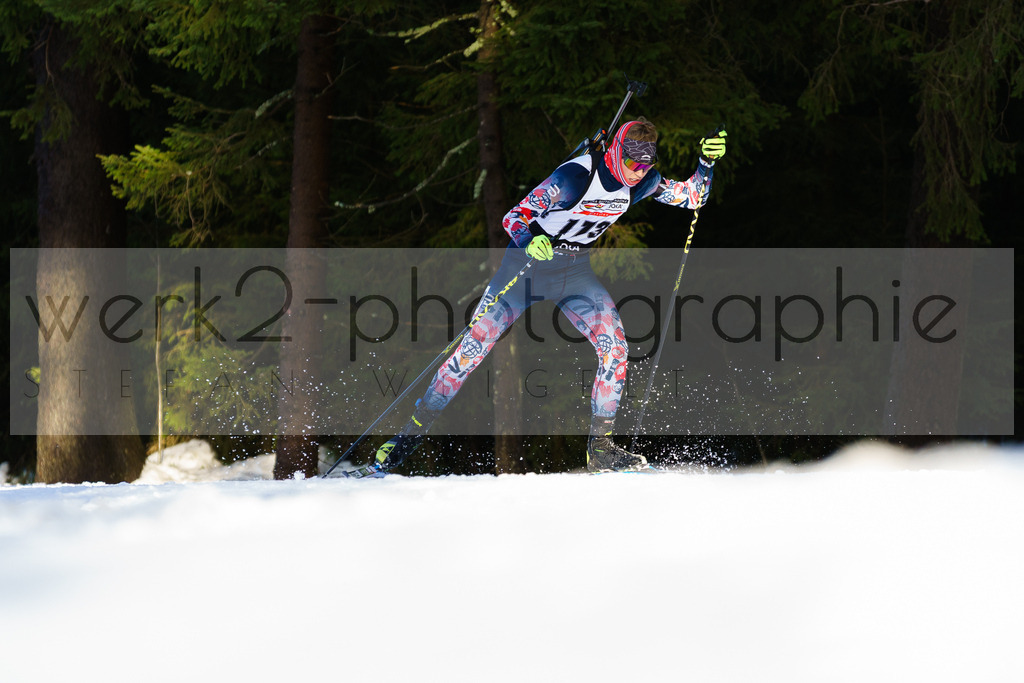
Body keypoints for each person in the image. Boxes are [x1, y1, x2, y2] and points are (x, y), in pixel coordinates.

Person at [350, 118, 727, 477]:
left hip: (575, 274)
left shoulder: (643, 181)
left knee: (616, 348)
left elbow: (693, 197)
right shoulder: (575, 175)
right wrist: (532, 239)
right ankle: (408, 436)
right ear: (615, 151)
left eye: (646, 164)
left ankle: (601, 450)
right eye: (632, 161)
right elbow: (515, 217)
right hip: (527, 269)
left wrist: (706, 162)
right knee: (472, 348)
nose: (638, 171)